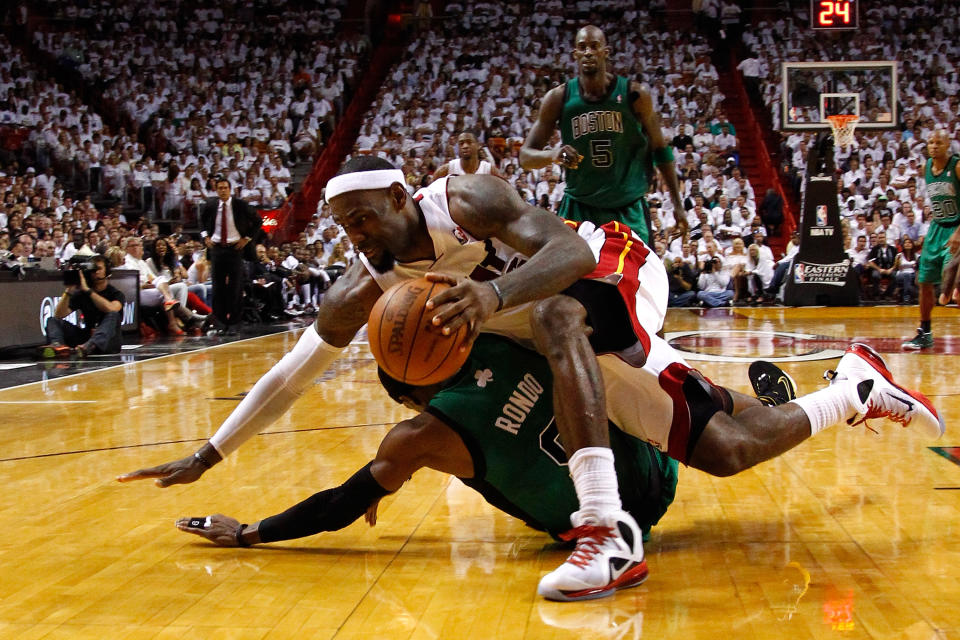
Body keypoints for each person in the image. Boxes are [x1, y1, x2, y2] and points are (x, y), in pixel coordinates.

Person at [118, 156, 671, 601]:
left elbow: (569, 251)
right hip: (550, 343)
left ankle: (605, 521)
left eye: (362, 218)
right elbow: (290, 379)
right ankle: (615, 514)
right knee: (686, 428)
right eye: (343, 225)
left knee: (596, 351)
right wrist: (209, 454)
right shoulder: (368, 293)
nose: (354, 234)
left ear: (400, 198)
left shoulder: (466, 202)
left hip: (601, 271)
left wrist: (250, 530)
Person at [148, 333, 942, 601]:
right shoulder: (500, 342)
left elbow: (344, 498)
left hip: (615, 521)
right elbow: (346, 496)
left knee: (673, 402)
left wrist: (253, 531)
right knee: (699, 421)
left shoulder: (412, 440)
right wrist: (251, 529)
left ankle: (822, 393)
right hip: (644, 470)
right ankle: (821, 393)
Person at [519, 25, 686, 245]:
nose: (588, 52)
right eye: (582, 47)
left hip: (627, 207)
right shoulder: (559, 98)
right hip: (579, 206)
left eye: (594, 46)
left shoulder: (635, 94)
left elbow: (660, 150)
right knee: (567, 277)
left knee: (641, 278)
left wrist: (677, 205)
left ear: (605, 52)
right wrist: (554, 154)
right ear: (575, 54)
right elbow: (525, 157)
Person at [903, 130, 960, 349]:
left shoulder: (956, 166)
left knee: (954, 283)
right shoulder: (927, 167)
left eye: (939, 142)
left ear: (948, 145)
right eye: (930, 142)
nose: (934, 146)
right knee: (924, 281)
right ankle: (924, 332)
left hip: (956, 228)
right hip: (937, 228)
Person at [199, 176, 263, 332]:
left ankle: (234, 324)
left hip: (235, 249)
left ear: (230, 189)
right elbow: (201, 222)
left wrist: (246, 238)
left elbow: (258, 221)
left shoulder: (240, 205)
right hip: (217, 249)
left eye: (225, 188)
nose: (222, 191)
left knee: (236, 287)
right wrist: (205, 237)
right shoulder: (211, 205)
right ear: (216, 190)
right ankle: (220, 323)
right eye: (219, 188)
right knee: (218, 287)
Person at [41, 254, 124, 358]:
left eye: (98, 269)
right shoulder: (82, 294)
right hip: (86, 337)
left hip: (109, 341)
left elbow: (111, 308)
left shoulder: (116, 294)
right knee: (52, 320)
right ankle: (58, 346)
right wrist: (69, 291)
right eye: (92, 269)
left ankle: (92, 345)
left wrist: (88, 291)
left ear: (107, 271)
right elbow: (59, 314)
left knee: (113, 315)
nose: (95, 272)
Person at [433, 130, 502, 179]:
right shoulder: (447, 169)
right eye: (461, 143)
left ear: (478, 145)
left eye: (469, 142)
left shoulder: (489, 170)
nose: (465, 146)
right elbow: (430, 193)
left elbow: (506, 192)